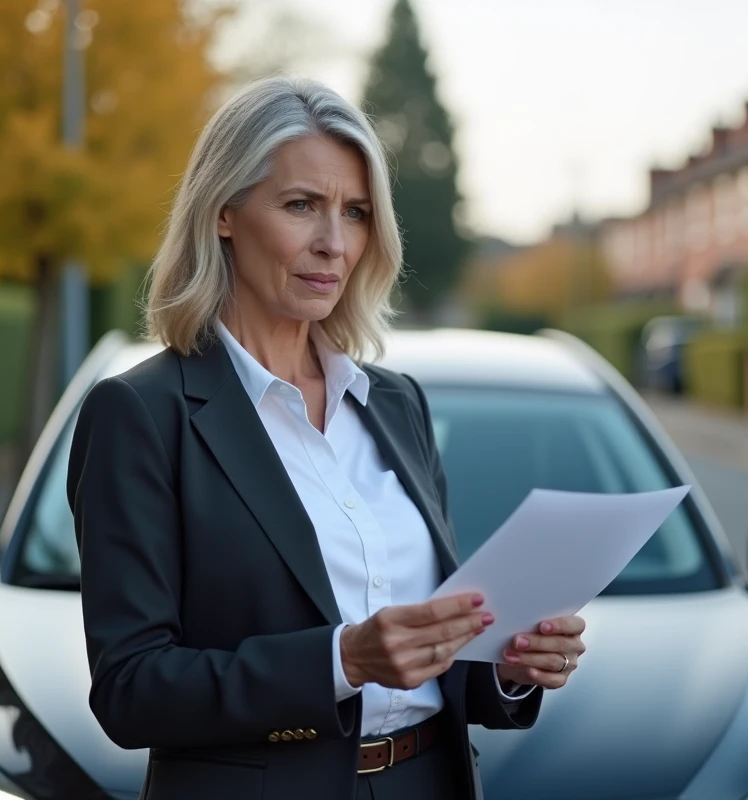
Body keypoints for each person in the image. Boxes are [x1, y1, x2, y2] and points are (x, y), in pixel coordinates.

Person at [66, 75, 586, 800]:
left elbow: (432, 661)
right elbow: (130, 688)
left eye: (356, 213)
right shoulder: (141, 413)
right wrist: (343, 661)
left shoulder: (396, 404)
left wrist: (505, 665)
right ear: (223, 212)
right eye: (301, 205)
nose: (334, 244)